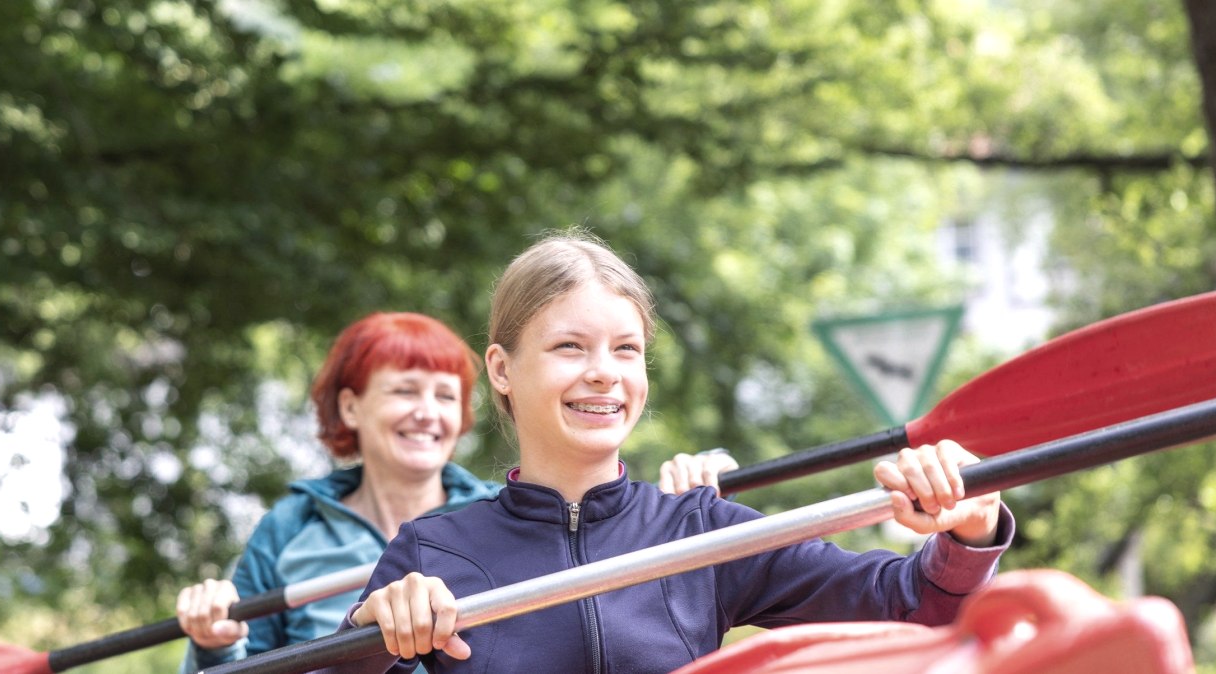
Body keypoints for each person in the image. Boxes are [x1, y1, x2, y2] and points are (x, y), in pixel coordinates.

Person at [324, 230, 1013, 674]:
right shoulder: (433, 551)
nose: (605, 372)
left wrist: (969, 528)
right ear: (502, 369)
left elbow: (914, 604)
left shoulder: (699, 531)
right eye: (570, 347)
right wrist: (370, 630)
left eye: (626, 350)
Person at [177, 311, 738, 672]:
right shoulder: (289, 529)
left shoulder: (509, 514)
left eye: (446, 396)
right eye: (404, 391)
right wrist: (215, 642)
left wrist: (692, 495)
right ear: (351, 406)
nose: (427, 413)